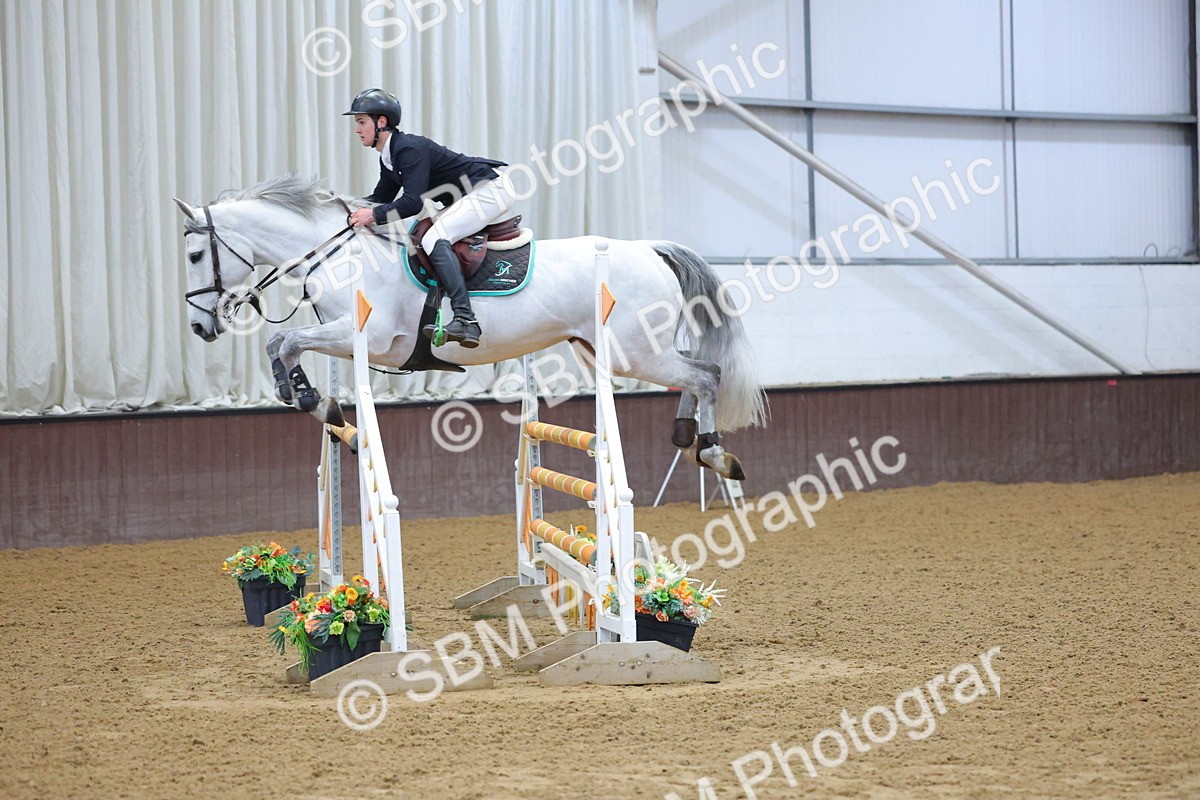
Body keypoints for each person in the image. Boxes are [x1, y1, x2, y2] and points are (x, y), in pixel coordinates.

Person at [345, 88, 514, 348]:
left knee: (435, 237)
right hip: (468, 196)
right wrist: (344, 208)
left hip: (490, 190)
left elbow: (413, 202)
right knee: (420, 234)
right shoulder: (389, 156)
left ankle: (466, 319)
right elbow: (381, 198)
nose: (357, 129)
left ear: (381, 122)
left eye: (361, 121)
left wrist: (373, 215)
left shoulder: (409, 149)